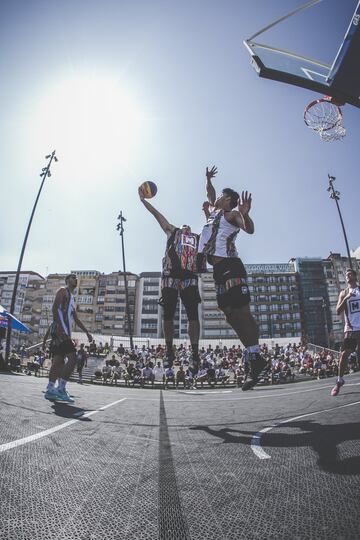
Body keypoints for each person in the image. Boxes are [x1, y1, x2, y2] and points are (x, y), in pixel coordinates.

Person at [198, 165, 267, 391]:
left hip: (231, 265)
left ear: (228, 200)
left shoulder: (233, 214)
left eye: (221, 196)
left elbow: (250, 230)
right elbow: (209, 193)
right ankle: (253, 354)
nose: (216, 198)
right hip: (218, 271)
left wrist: (245, 214)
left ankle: (255, 357)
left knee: (242, 311)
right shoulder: (214, 213)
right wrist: (207, 179)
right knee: (229, 315)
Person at [139, 187, 205, 370]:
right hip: (170, 275)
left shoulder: (198, 238)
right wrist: (144, 201)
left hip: (190, 276)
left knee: (193, 313)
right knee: (168, 313)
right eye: (184, 225)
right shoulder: (172, 231)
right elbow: (157, 215)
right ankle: (169, 350)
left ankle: (194, 351)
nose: (187, 227)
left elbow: (211, 230)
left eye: (188, 226)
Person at [43, 274, 93, 403]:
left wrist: (87, 332)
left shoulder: (72, 300)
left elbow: (75, 319)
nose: (75, 279)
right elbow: (54, 308)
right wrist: (59, 327)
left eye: (76, 278)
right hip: (61, 332)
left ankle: (50, 390)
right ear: (67, 280)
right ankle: (61, 388)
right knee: (73, 358)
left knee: (59, 361)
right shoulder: (62, 291)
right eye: (72, 277)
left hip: (65, 332)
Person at [331, 268, 360, 396]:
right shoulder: (344, 292)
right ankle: (339, 380)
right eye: (346, 275)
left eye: (350, 274)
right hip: (351, 328)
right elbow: (337, 311)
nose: (347, 276)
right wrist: (346, 299)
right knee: (344, 355)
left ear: (355, 276)